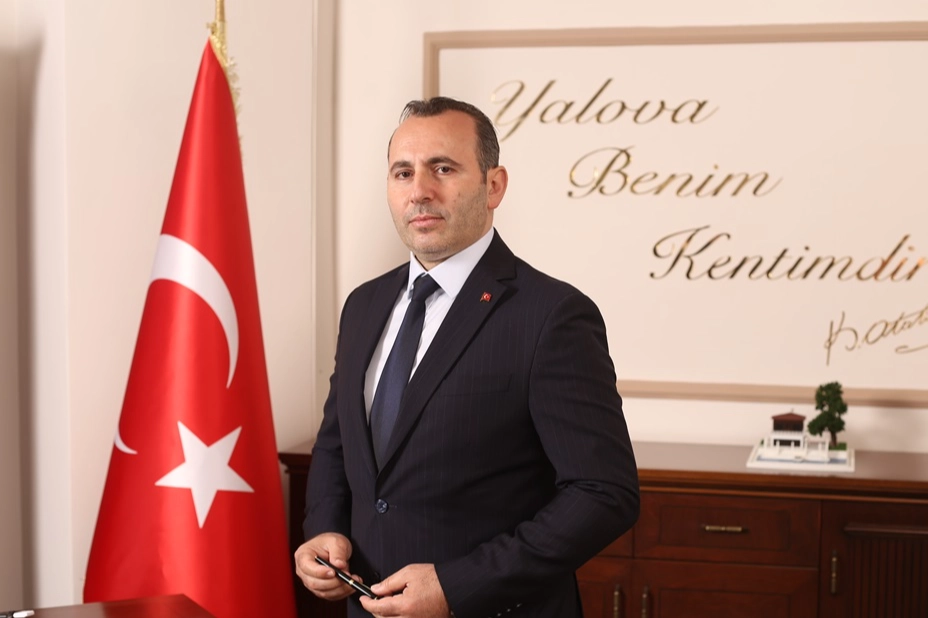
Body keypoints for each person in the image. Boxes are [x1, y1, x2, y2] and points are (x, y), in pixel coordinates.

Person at [294, 96, 639, 618]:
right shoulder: (364, 305)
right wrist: (323, 528)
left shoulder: (552, 315)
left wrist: (458, 586)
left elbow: (604, 493)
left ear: (494, 185)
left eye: (443, 169)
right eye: (403, 173)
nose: (419, 191)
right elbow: (338, 444)